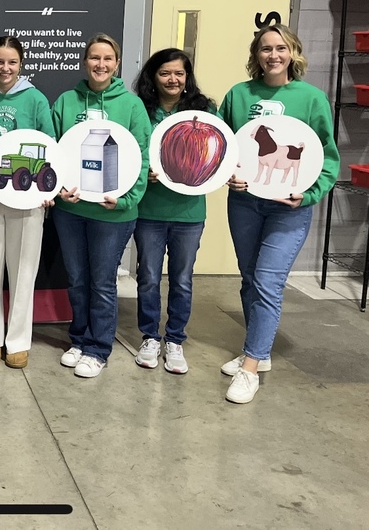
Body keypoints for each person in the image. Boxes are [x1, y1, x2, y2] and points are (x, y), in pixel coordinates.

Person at [219, 24, 338, 404]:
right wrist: (228, 178)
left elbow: (328, 158)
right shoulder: (239, 95)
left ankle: (251, 367)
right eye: (266, 49)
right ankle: (260, 350)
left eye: (281, 48)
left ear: (293, 53)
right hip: (245, 203)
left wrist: (310, 193)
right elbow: (223, 146)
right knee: (250, 278)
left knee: (268, 281)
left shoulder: (311, 98)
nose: (273, 55)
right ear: (256, 55)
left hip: (288, 207)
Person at [50, 33, 150, 379]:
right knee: (77, 279)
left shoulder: (131, 105)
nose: (101, 64)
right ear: (85, 61)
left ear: (117, 63)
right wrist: (61, 189)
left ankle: (98, 348)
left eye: (108, 58)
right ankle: (78, 338)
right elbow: (54, 151)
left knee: (103, 282)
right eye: (94, 57)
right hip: (72, 211)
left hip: (114, 213)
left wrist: (126, 198)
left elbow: (142, 156)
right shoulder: (66, 101)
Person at [132, 48, 215, 375]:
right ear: (154, 76)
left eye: (179, 73)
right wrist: (143, 171)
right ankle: (150, 336)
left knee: (182, 278)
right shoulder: (141, 109)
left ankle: (176, 339)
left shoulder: (205, 111)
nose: (172, 79)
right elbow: (131, 150)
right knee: (148, 277)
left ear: (187, 76)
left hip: (189, 212)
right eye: (165, 73)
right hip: (149, 209)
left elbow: (217, 151)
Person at [0, 36, 55, 369]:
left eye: (12, 62)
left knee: (24, 272)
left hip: (28, 200)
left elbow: (49, 145)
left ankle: (19, 340)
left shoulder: (35, 99)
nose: (5, 68)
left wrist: (49, 187)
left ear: (21, 64)